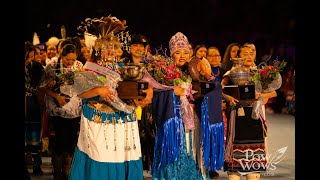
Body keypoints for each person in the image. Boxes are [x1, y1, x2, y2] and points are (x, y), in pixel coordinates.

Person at [69, 16, 148, 180]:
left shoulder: (123, 68)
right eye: (106, 47)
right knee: (102, 156)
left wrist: (143, 96)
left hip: (123, 120)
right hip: (99, 121)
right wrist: (98, 89)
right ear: (98, 50)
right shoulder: (89, 69)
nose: (110, 50)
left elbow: (137, 88)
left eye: (113, 47)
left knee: (122, 155)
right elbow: (80, 92)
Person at [150, 32, 208, 180]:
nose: (182, 55)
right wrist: (172, 91)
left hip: (192, 122)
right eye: (178, 52)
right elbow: (155, 94)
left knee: (192, 151)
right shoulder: (162, 73)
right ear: (171, 55)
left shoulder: (194, 73)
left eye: (185, 52)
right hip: (173, 122)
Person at [221, 45, 277, 180]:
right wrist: (227, 97)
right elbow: (220, 90)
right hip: (237, 117)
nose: (248, 56)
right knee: (235, 167)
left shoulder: (260, 74)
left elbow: (274, 92)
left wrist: (262, 96)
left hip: (255, 118)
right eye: (244, 53)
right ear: (238, 56)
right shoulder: (230, 73)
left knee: (254, 169)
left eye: (251, 53)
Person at [44, 43, 83, 180]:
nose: (70, 63)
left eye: (73, 59)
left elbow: (82, 86)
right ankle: (57, 171)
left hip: (73, 110)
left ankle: (67, 170)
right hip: (56, 110)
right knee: (58, 141)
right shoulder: (52, 65)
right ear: (61, 55)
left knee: (71, 141)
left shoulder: (79, 66)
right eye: (67, 60)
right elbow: (44, 87)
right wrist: (57, 96)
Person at [25, 41, 44, 176]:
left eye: (32, 56)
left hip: (33, 104)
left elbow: (41, 85)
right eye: (28, 57)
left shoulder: (37, 67)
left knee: (35, 134)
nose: (30, 60)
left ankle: (37, 164)